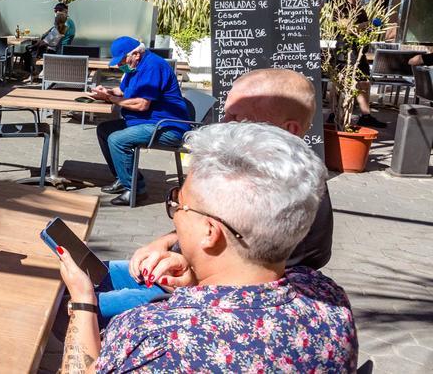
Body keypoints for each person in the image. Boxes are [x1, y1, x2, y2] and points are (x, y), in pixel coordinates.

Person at [55, 122, 357, 373]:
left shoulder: (154, 335)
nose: (174, 211)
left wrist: (82, 302)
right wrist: (194, 279)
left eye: (177, 202)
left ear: (210, 232)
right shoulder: (329, 299)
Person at [95, 68, 335, 323]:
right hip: (182, 271)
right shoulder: (241, 172)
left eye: (238, 118)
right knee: (88, 274)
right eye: (226, 112)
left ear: (289, 129)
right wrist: (165, 242)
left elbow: (248, 287)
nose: (224, 123)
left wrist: (189, 274)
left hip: (199, 302)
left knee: (75, 303)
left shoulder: (293, 199)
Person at [91, 36, 190, 206]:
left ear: (136, 54)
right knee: (104, 130)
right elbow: (122, 91)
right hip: (147, 122)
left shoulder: (152, 66)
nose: (120, 64)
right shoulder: (135, 66)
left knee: (117, 139)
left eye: (123, 60)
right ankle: (124, 178)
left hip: (166, 126)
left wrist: (109, 99)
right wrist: (105, 91)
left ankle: (134, 189)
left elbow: (142, 105)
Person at [336, 0, 386, 128]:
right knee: (343, 83)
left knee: (364, 82)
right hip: (346, 52)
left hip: (359, 53)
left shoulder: (361, 10)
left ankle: (366, 115)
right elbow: (346, 28)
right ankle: (337, 113)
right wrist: (369, 24)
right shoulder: (342, 8)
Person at [20, 3, 77, 82]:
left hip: (58, 50)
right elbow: (53, 35)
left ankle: (34, 74)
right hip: (59, 48)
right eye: (56, 11)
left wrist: (40, 43)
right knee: (32, 49)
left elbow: (54, 37)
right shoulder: (67, 21)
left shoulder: (65, 23)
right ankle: (35, 73)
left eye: (58, 11)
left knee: (30, 52)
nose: (56, 13)